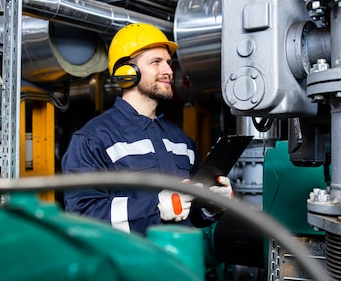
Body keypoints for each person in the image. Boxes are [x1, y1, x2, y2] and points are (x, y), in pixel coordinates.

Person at [61, 22, 233, 235]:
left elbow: (189, 214)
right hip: (129, 266)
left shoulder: (182, 142)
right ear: (126, 72)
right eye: (156, 62)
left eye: (169, 63)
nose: (168, 71)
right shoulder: (94, 139)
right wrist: (156, 207)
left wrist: (210, 206)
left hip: (180, 262)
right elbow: (82, 217)